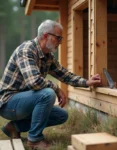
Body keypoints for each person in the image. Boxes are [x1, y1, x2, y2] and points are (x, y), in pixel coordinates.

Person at [0, 20, 102, 150]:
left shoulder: (48, 56)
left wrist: (87, 82)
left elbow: (64, 75)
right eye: (58, 38)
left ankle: (14, 127)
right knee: (47, 94)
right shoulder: (26, 50)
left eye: (61, 38)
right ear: (45, 36)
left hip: (25, 102)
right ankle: (34, 140)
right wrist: (57, 89)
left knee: (61, 115)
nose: (60, 41)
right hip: (8, 103)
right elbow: (35, 82)